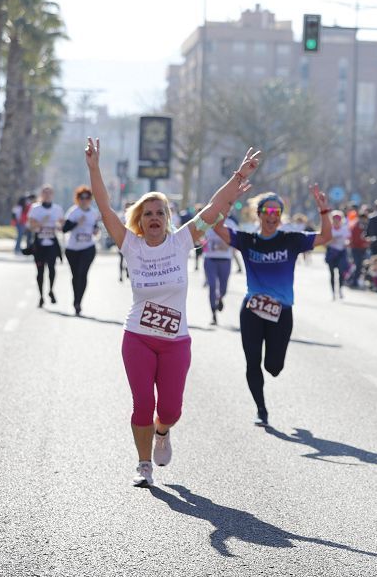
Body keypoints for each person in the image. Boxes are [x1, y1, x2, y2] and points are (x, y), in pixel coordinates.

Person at [86, 137, 259, 487]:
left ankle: (162, 432)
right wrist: (94, 168)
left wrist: (238, 175)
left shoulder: (182, 241)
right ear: (140, 219)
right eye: (147, 213)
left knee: (170, 410)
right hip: (137, 337)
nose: (153, 218)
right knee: (140, 403)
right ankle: (143, 464)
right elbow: (104, 208)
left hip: (175, 341)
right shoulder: (130, 245)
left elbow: (214, 207)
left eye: (159, 213)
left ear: (167, 219)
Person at [217, 188, 331, 426]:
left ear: (280, 215)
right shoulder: (248, 240)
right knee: (252, 362)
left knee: (274, 367)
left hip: (282, 312)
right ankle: (261, 409)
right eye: (267, 211)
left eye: (276, 211)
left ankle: (268, 385)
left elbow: (325, 237)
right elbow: (217, 227)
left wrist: (323, 209)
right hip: (252, 311)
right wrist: (229, 200)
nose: (272, 216)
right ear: (258, 214)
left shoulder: (291, 240)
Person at [62, 185, 103, 316]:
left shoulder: (93, 212)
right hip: (72, 248)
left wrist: (96, 231)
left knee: (83, 273)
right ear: (77, 199)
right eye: (81, 197)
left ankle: (79, 302)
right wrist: (76, 223)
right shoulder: (73, 212)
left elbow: (96, 228)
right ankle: (75, 298)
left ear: (90, 199)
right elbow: (64, 229)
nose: (84, 200)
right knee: (75, 275)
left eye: (87, 197)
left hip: (88, 247)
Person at [28, 185, 64, 307]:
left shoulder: (57, 209)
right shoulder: (35, 208)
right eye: (45, 192)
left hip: (52, 243)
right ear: (41, 195)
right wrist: (42, 222)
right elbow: (31, 226)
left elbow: (62, 224)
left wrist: (58, 226)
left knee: (52, 269)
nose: (47, 195)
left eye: (49, 193)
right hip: (39, 243)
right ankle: (41, 296)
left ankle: (51, 291)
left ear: (52, 195)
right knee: (40, 271)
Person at [202, 212, 235, 325]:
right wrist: (204, 245)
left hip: (225, 259)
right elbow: (200, 238)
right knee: (212, 285)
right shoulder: (207, 223)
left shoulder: (231, 223)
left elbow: (236, 242)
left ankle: (220, 298)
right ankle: (213, 314)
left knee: (223, 288)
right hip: (210, 259)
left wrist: (228, 245)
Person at [325, 210, 351, 300]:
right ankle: (333, 293)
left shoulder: (344, 229)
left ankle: (340, 290)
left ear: (340, 220)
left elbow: (348, 239)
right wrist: (331, 241)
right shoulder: (329, 229)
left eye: (338, 220)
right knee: (332, 274)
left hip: (341, 253)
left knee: (341, 272)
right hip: (332, 253)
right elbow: (324, 242)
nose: (336, 221)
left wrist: (347, 243)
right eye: (334, 220)